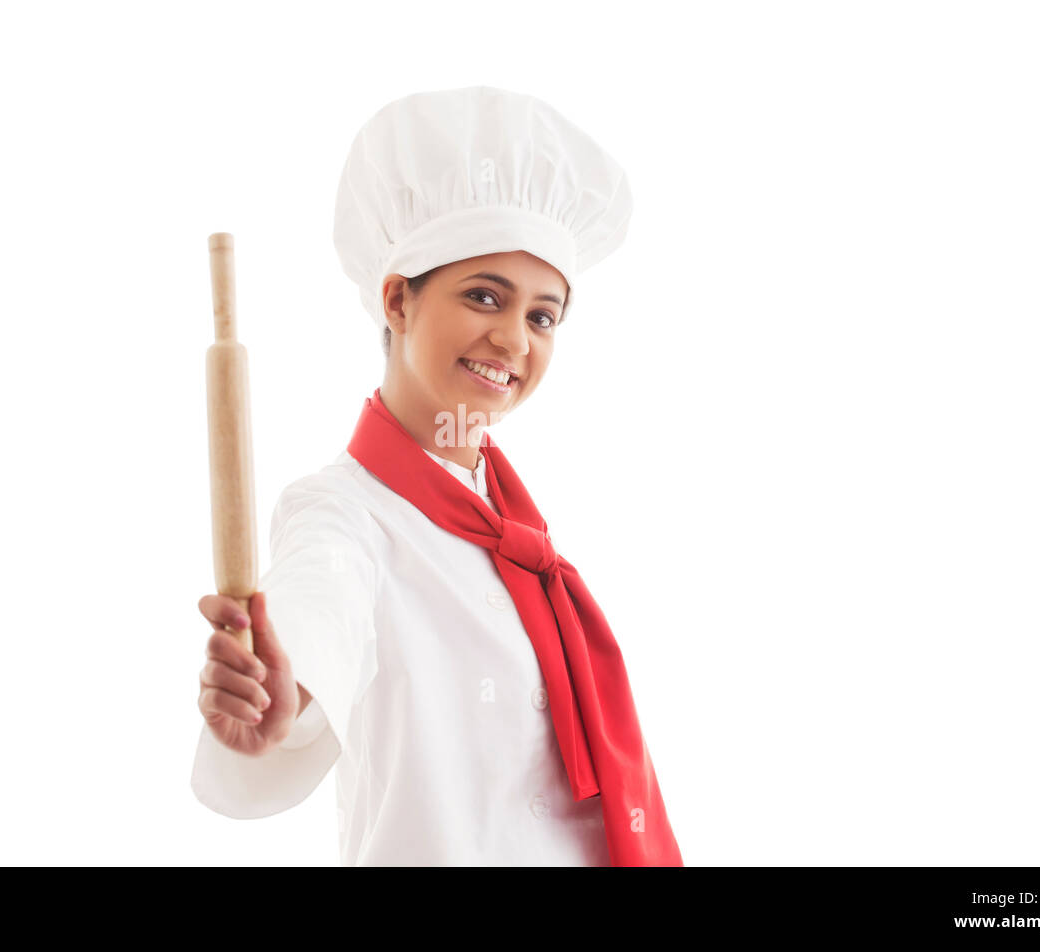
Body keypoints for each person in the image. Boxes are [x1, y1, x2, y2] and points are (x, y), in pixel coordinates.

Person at [191, 86, 683, 866]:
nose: (514, 339)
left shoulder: (519, 532)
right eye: (484, 295)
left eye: (543, 316)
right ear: (398, 299)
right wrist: (285, 683)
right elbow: (319, 603)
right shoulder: (341, 514)